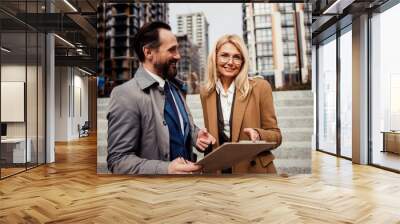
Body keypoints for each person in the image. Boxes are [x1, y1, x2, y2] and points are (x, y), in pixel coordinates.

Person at [107, 21, 215, 174]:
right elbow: (118, 161)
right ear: (148, 52)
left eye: (177, 48)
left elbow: (180, 126)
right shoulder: (125, 95)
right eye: (172, 50)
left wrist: (195, 135)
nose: (178, 56)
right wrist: (166, 169)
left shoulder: (175, 88)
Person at [200, 34, 282, 174]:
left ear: (243, 62)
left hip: (254, 171)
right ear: (215, 58)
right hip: (220, 172)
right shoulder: (206, 92)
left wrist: (258, 134)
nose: (230, 62)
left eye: (236, 57)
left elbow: (276, 136)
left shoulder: (260, 87)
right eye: (224, 55)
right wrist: (203, 140)